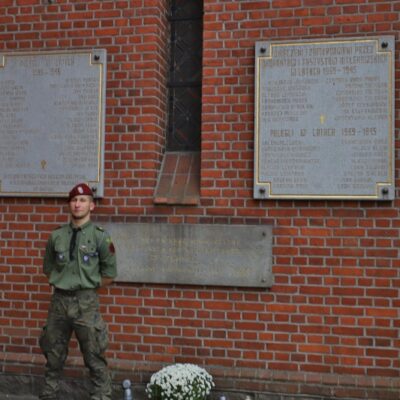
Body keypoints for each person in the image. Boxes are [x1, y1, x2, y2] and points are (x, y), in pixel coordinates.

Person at [39, 183, 117, 400]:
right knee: (53, 352)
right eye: (74, 200)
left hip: (86, 303)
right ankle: (49, 394)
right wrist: (64, 282)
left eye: (83, 200)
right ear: (69, 205)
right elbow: (49, 267)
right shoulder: (57, 236)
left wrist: (87, 285)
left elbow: (110, 273)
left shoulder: (101, 237)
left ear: (92, 206)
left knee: (94, 353)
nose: (77, 204)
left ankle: (102, 395)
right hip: (59, 302)